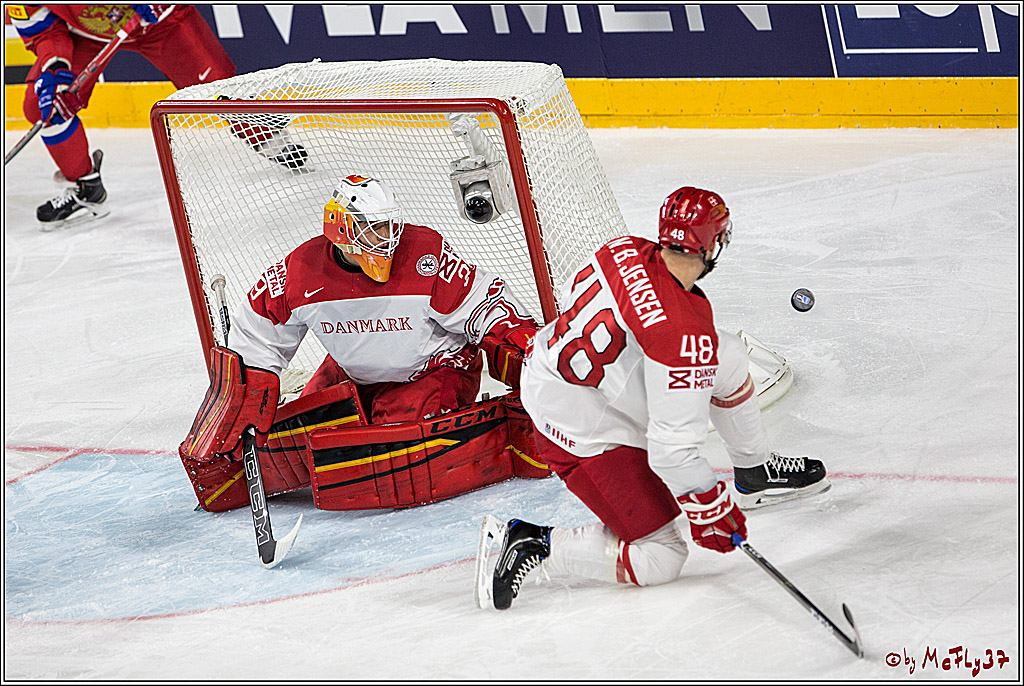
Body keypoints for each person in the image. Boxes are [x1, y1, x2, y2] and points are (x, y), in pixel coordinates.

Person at [475, 186, 830, 611]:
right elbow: (670, 451)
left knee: (729, 357)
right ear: (710, 243)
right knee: (662, 556)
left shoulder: (622, 249)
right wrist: (706, 503)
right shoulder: (681, 334)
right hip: (577, 428)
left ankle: (753, 474)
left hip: (558, 367)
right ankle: (532, 541)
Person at [178, 174, 543, 513]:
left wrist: (523, 350)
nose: (387, 238)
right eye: (373, 228)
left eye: (389, 225)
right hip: (350, 370)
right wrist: (243, 396)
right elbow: (258, 333)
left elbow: (487, 304)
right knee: (294, 436)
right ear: (340, 229)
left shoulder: (426, 255)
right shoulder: (301, 271)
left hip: (432, 369)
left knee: (392, 453)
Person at [10, 5, 293, 229]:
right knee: (44, 105)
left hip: (163, 23)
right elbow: (44, 32)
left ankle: (274, 142)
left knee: (218, 91)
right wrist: (54, 66)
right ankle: (86, 187)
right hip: (90, 35)